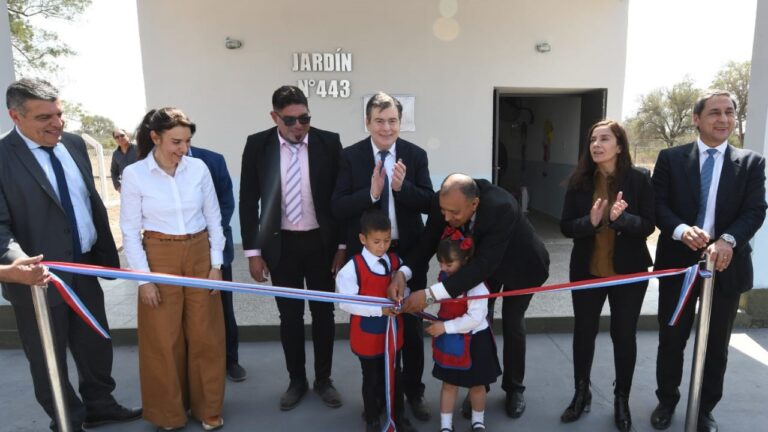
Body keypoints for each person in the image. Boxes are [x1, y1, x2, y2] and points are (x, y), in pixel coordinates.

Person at [0, 78, 141, 431]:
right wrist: (17, 264)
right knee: (48, 354)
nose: (57, 123)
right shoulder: (3, 157)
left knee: (94, 340)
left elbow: (87, 204)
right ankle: (67, 418)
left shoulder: (74, 144)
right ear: (15, 116)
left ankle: (100, 404)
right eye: (44, 117)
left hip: (85, 263)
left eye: (59, 113)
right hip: (37, 278)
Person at [651, 90, 767, 432]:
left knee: (717, 344)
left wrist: (728, 239)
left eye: (730, 112)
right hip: (679, 265)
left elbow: (755, 210)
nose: (724, 119)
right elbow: (658, 205)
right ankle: (667, 401)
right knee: (672, 338)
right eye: (715, 112)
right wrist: (682, 230)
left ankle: (703, 410)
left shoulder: (751, 163)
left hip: (725, 267)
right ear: (696, 118)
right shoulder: (671, 158)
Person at [391, 174, 549, 419]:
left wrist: (430, 296)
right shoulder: (443, 202)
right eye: (443, 211)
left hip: (521, 265)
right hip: (485, 265)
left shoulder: (502, 207)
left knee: (512, 321)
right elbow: (427, 242)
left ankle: (514, 388)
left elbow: (483, 265)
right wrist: (403, 272)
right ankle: (479, 386)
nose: (447, 218)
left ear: (474, 204)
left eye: (454, 213)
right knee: (479, 320)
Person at [120, 107, 226, 431]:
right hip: (158, 257)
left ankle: (208, 408)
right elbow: (129, 232)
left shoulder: (199, 168)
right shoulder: (136, 174)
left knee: (205, 334)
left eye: (187, 141)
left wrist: (216, 264)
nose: (183, 149)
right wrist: (144, 281)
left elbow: (214, 217)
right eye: (176, 141)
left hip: (199, 253)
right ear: (155, 137)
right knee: (163, 339)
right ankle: (169, 413)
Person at [239, 85, 344, 411]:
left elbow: (339, 199)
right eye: (290, 120)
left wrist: (342, 246)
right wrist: (253, 253)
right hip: (280, 245)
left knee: (324, 315)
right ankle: (296, 380)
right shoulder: (258, 145)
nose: (299, 126)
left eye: (305, 118)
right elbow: (247, 201)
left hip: (321, 245)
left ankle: (324, 380)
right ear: (275, 117)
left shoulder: (329, 142)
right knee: (290, 317)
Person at [332, 91, 433, 420]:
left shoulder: (415, 156)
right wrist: (372, 193)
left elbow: (429, 204)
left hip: (408, 253)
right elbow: (338, 205)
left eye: (392, 121)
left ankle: (412, 394)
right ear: (367, 123)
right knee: (374, 326)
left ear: (400, 123)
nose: (386, 127)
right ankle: (375, 401)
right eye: (379, 120)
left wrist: (403, 189)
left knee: (412, 329)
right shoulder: (351, 157)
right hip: (371, 258)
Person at [559, 120, 655, 431]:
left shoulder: (640, 178)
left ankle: (621, 399)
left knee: (623, 335)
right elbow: (565, 227)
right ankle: (580, 392)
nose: (596, 145)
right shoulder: (579, 181)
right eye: (592, 140)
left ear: (620, 145)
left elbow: (648, 226)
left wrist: (621, 218)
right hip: (587, 271)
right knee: (583, 333)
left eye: (604, 139)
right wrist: (590, 222)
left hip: (628, 273)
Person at [335, 210, 416, 432]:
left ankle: (398, 416)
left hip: (392, 332)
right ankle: (371, 417)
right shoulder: (352, 268)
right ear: (363, 239)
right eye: (377, 241)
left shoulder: (394, 261)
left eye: (387, 240)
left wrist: (404, 293)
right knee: (371, 378)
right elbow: (346, 303)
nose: (383, 246)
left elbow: (406, 277)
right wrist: (379, 309)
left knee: (395, 374)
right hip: (367, 334)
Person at [426, 232, 501, 432]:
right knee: (449, 384)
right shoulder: (445, 276)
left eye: (448, 265)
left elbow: (475, 319)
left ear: (466, 260)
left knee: (477, 386)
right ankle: (445, 425)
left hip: (476, 340)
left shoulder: (477, 286)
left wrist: (444, 327)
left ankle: (478, 421)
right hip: (452, 340)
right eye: (440, 263)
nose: (443, 269)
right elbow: (437, 296)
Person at [188, 145, 246, 382]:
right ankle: (198, 362)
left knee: (223, 306)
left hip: (216, 245)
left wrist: (207, 236)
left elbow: (226, 202)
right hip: (180, 251)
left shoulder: (212, 160)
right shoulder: (156, 164)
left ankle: (231, 360)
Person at [109, 127, 138, 191]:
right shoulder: (115, 154)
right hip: (127, 188)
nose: (120, 138)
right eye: (116, 137)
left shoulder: (139, 149)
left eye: (122, 135)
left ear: (128, 136)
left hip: (142, 186)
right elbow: (114, 171)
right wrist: (118, 186)